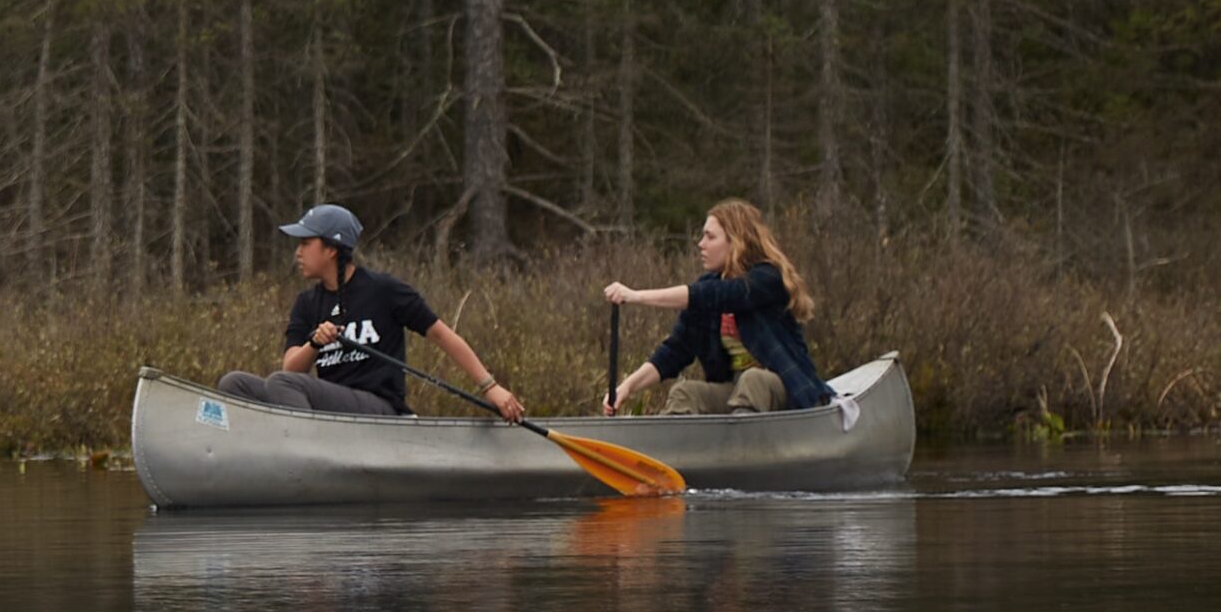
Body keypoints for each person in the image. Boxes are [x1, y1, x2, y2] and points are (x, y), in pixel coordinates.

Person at [218, 203, 527, 421]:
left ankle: (301, 455)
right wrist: (314, 344)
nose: (297, 252)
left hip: (378, 407)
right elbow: (291, 369)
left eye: (305, 243)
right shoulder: (306, 303)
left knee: (283, 385)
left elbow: (441, 335)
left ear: (331, 249)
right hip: (331, 405)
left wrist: (491, 387)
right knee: (234, 383)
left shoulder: (383, 290)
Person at [602, 200, 834, 416]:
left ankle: (742, 448)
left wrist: (636, 296)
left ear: (735, 242)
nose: (701, 244)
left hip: (788, 391)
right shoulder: (708, 287)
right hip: (735, 393)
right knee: (685, 392)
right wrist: (627, 386)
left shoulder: (767, 279)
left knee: (753, 380)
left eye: (710, 237)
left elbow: (718, 295)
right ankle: (677, 451)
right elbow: (675, 351)